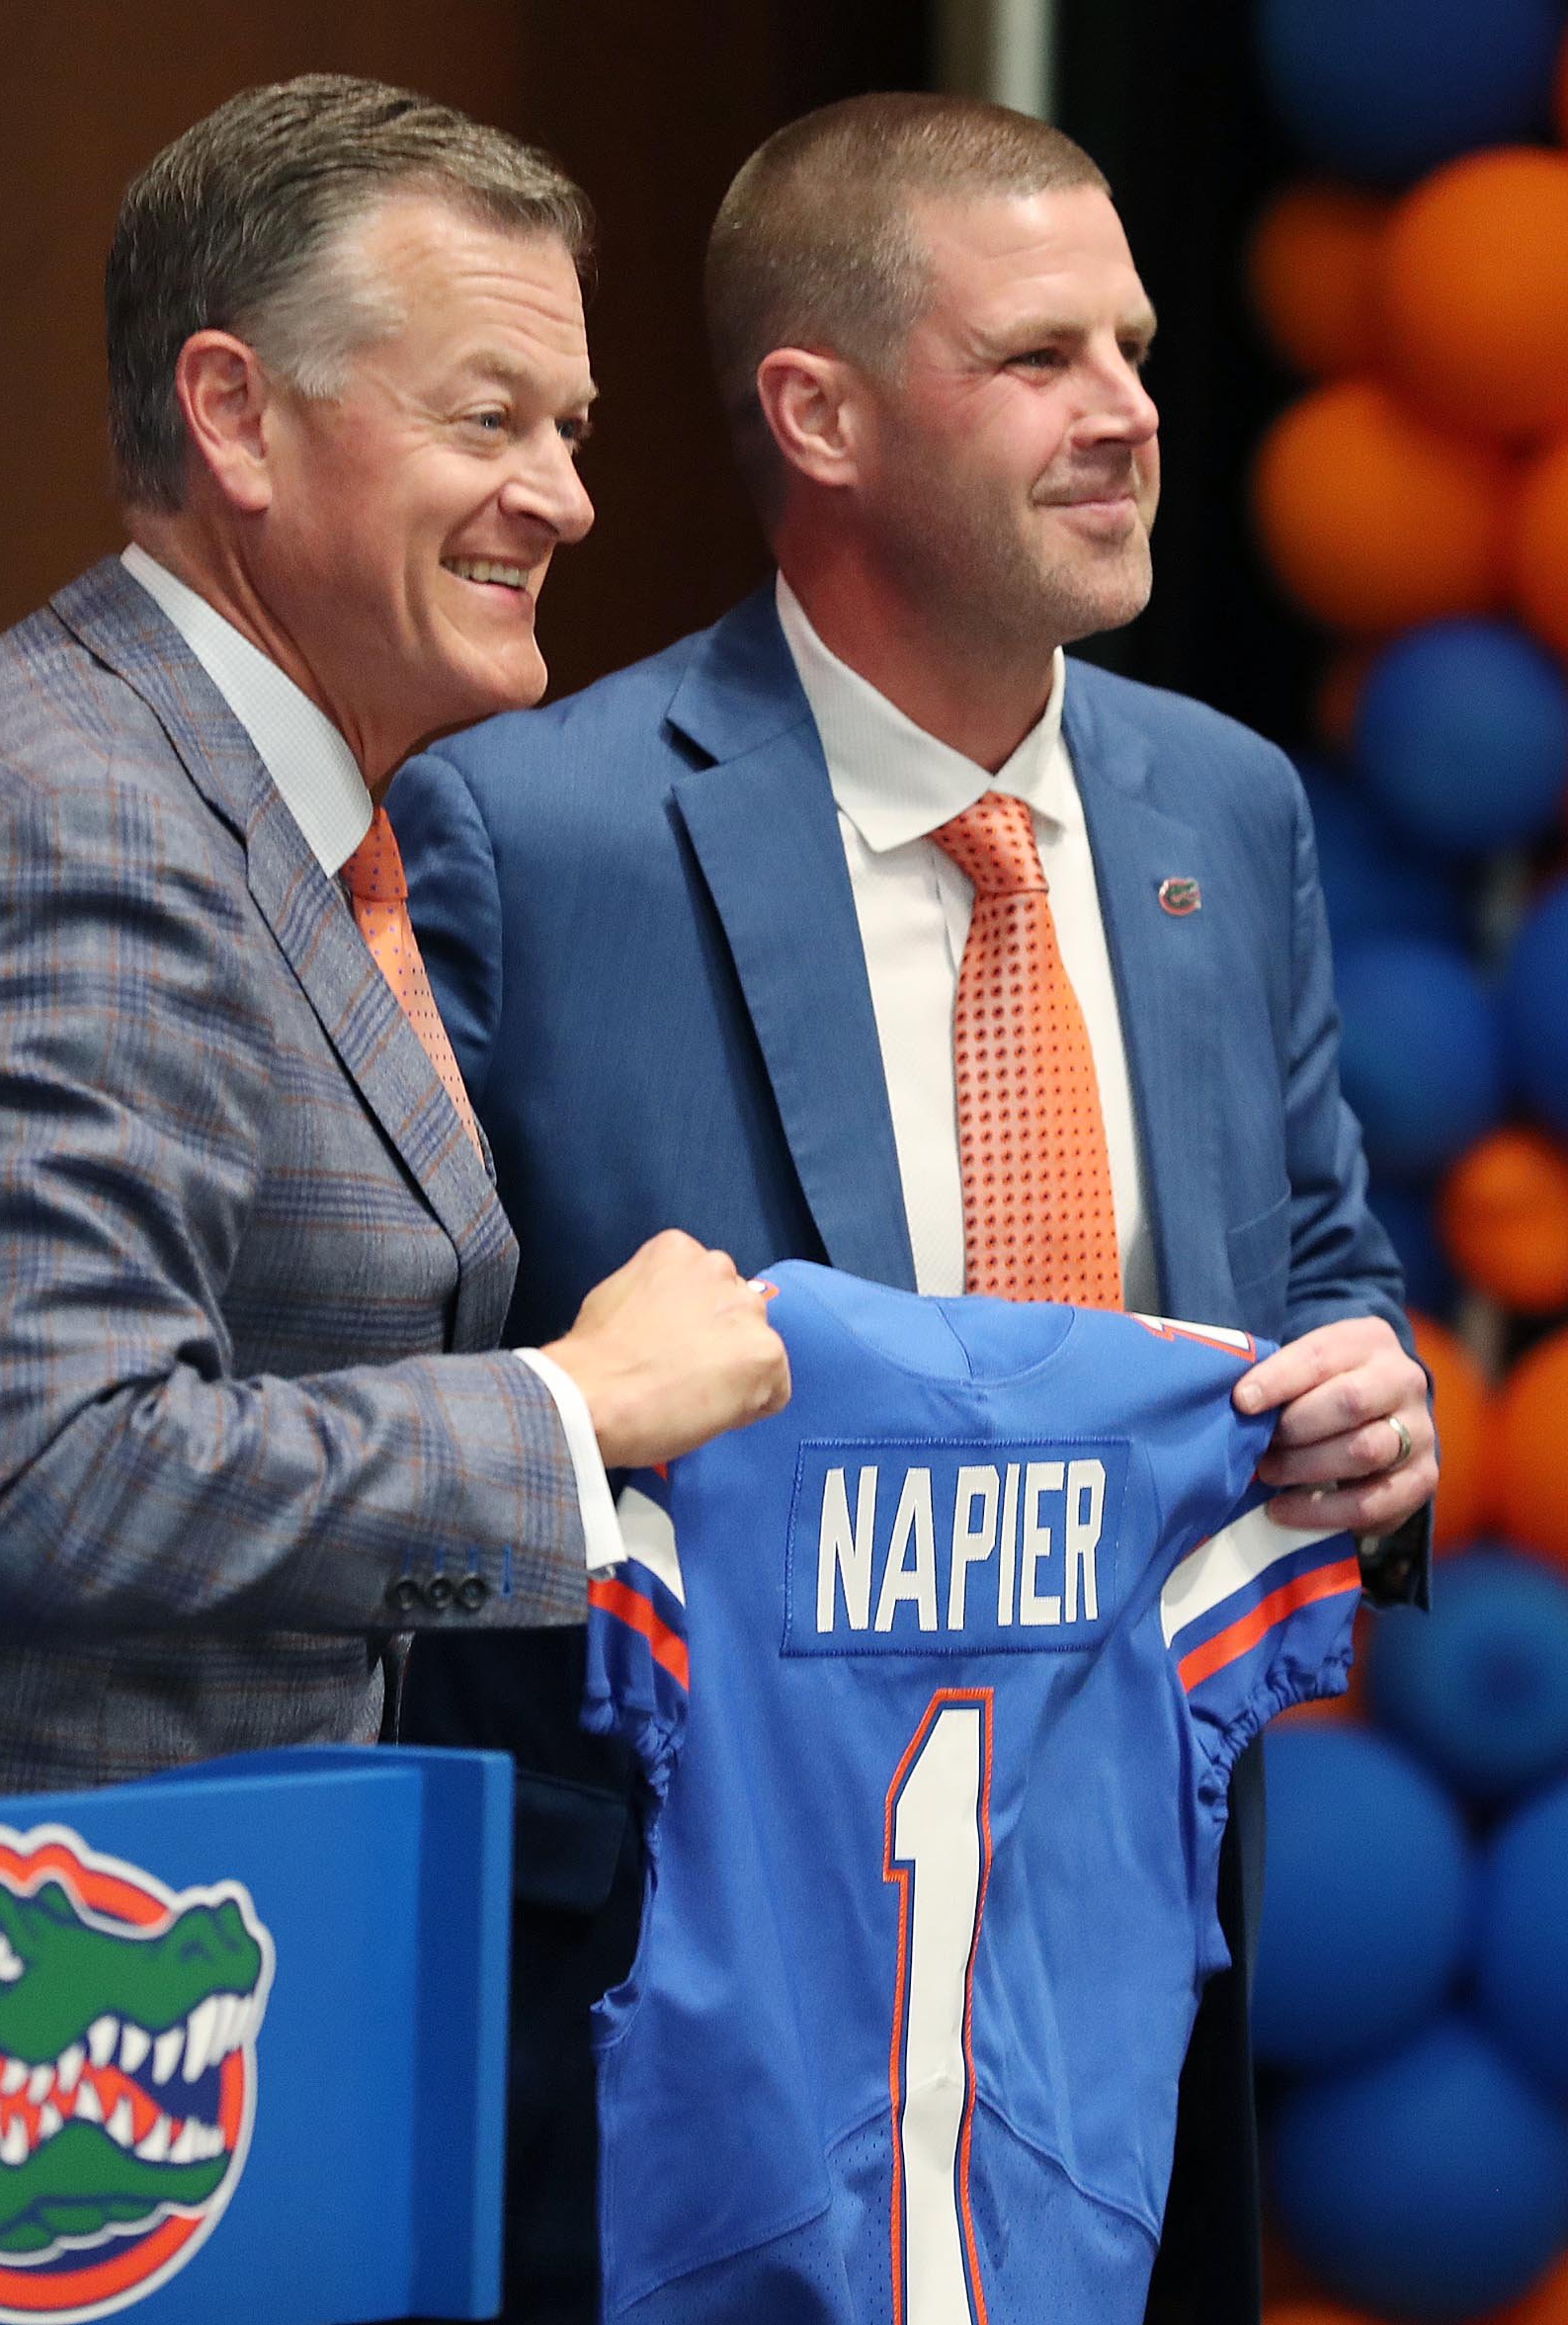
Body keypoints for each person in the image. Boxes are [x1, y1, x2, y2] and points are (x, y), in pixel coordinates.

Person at [379, 94, 1436, 2325]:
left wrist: (1377, 1405)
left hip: (1124, 1996)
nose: (1127, 415)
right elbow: (380, 1413)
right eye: (1041, 357)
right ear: (820, 412)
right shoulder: (525, 835)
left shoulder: (1224, 811)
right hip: (696, 2039)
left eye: (1135, 349)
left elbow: (1321, 1258)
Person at [0, 74, 787, 1816]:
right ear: (236, 419)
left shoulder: (206, 784)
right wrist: (571, 1408)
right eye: (489, 419)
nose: (564, 497)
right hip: (11, 2012)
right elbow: (55, 1474)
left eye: (570, 428)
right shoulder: (91, 826)